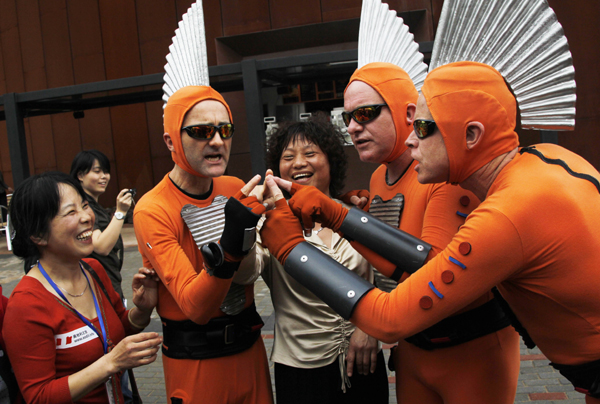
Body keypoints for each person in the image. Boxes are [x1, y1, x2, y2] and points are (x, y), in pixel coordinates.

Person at [261, 61, 600, 403]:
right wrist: (338, 216)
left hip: (472, 350)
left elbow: (391, 316)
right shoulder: (550, 158)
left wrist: (292, 249)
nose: (411, 138)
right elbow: (422, 263)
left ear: (471, 134)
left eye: (423, 127)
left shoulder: (508, 211)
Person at [338, 62, 519, 403]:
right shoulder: (379, 177)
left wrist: (341, 221)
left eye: (364, 113)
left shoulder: (443, 172)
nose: (352, 127)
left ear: (407, 112)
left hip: (470, 351)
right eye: (345, 117)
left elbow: (430, 273)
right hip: (414, 348)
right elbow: (392, 259)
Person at [133, 85, 273, 404]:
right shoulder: (152, 209)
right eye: (201, 131)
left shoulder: (233, 187)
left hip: (250, 351)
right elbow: (196, 308)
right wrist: (232, 247)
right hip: (196, 367)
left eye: (225, 129)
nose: (217, 141)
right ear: (171, 141)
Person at [247, 118, 388, 403]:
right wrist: (242, 230)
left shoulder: (355, 213)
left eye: (310, 153)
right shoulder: (270, 224)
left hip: (365, 359)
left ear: (330, 161)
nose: (299, 163)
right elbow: (245, 274)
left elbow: (384, 278)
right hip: (302, 371)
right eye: (288, 157)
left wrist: (369, 327)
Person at [3, 171, 161, 404]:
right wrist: (111, 363)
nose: (87, 217)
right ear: (38, 235)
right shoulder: (26, 304)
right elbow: (38, 396)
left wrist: (143, 310)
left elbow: (116, 332)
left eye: (84, 205)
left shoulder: (93, 269)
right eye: (71, 212)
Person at [70, 150, 133, 300]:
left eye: (106, 172)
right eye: (97, 172)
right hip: (101, 288)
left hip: (107, 282)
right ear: (80, 176)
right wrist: (120, 212)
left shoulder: (93, 206)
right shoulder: (85, 207)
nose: (104, 177)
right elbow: (100, 247)